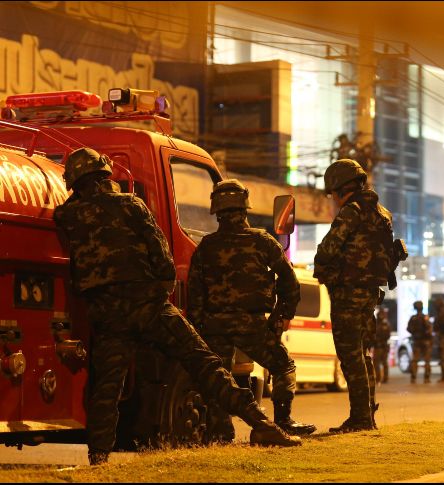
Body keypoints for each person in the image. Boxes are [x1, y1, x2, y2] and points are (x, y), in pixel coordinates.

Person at [53, 148, 299, 465]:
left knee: (107, 387)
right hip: (150, 306)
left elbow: (67, 211)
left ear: (76, 184)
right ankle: (262, 425)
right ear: (105, 175)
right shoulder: (130, 205)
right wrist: (161, 292)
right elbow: (162, 254)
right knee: (204, 363)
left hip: (107, 312)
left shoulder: (69, 215)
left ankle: (99, 455)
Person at [187, 179, 316, 440]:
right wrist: (282, 316)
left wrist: (200, 328)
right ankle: (283, 422)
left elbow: (195, 293)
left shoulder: (206, 247)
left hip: (214, 325)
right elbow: (289, 281)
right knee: (283, 366)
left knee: (218, 378)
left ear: (217, 211)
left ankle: (220, 433)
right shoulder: (262, 241)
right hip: (253, 324)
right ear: (245, 208)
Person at [314, 159, 399, 433]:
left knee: (350, 355)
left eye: (333, 193)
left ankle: (360, 418)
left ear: (340, 187)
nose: (333, 200)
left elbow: (328, 248)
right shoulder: (381, 212)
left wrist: (324, 266)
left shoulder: (352, 211)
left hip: (348, 292)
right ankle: (367, 415)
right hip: (370, 293)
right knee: (363, 354)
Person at [406, 301, 433, 383]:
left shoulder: (413, 318)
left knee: (415, 360)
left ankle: (413, 377)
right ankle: (426, 378)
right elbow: (430, 328)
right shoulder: (425, 317)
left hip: (417, 341)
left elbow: (408, 328)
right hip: (425, 341)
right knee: (427, 360)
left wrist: (415, 333)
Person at [373, 307, 392, 384]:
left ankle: (379, 378)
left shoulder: (376, 323)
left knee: (377, 362)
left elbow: (373, 335)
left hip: (379, 346)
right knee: (383, 362)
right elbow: (388, 335)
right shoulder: (386, 323)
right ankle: (384, 378)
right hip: (383, 345)